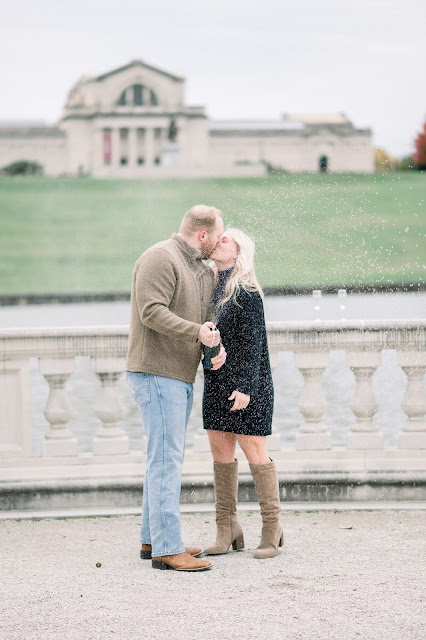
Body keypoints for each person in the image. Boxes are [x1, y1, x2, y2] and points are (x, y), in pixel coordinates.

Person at [126, 205, 226, 572]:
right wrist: (196, 332)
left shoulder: (199, 267)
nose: (219, 241)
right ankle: (168, 548)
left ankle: (153, 538)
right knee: (166, 460)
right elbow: (150, 312)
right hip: (155, 373)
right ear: (203, 234)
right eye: (217, 234)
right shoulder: (159, 258)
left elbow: (202, 322)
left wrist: (211, 348)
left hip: (177, 375)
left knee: (163, 458)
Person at [203, 228, 283, 559]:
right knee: (221, 457)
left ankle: (271, 528)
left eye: (224, 239)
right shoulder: (208, 289)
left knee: (256, 456)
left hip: (246, 386)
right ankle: (228, 529)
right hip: (216, 382)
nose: (216, 241)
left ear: (237, 252)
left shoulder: (247, 292)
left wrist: (246, 387)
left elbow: (254, 344)